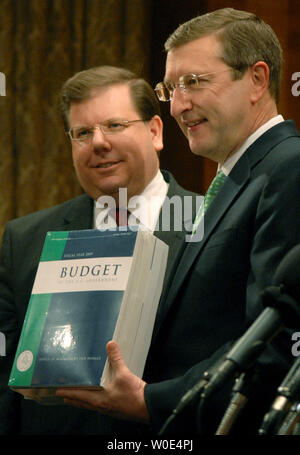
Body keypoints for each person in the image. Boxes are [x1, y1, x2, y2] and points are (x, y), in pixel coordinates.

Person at [52, 8, 300, 435]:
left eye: (194, 82)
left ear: (257, 79)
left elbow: (274, 345)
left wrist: (151, 401)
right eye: (171, 88)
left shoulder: (288, 168)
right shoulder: (236, 178)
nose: (179, 105)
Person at [0, 65, 197, 434]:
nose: (99, 143)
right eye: (83, 132)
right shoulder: (25, 239)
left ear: (155, 131)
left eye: (115, 125)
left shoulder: (212, 222)